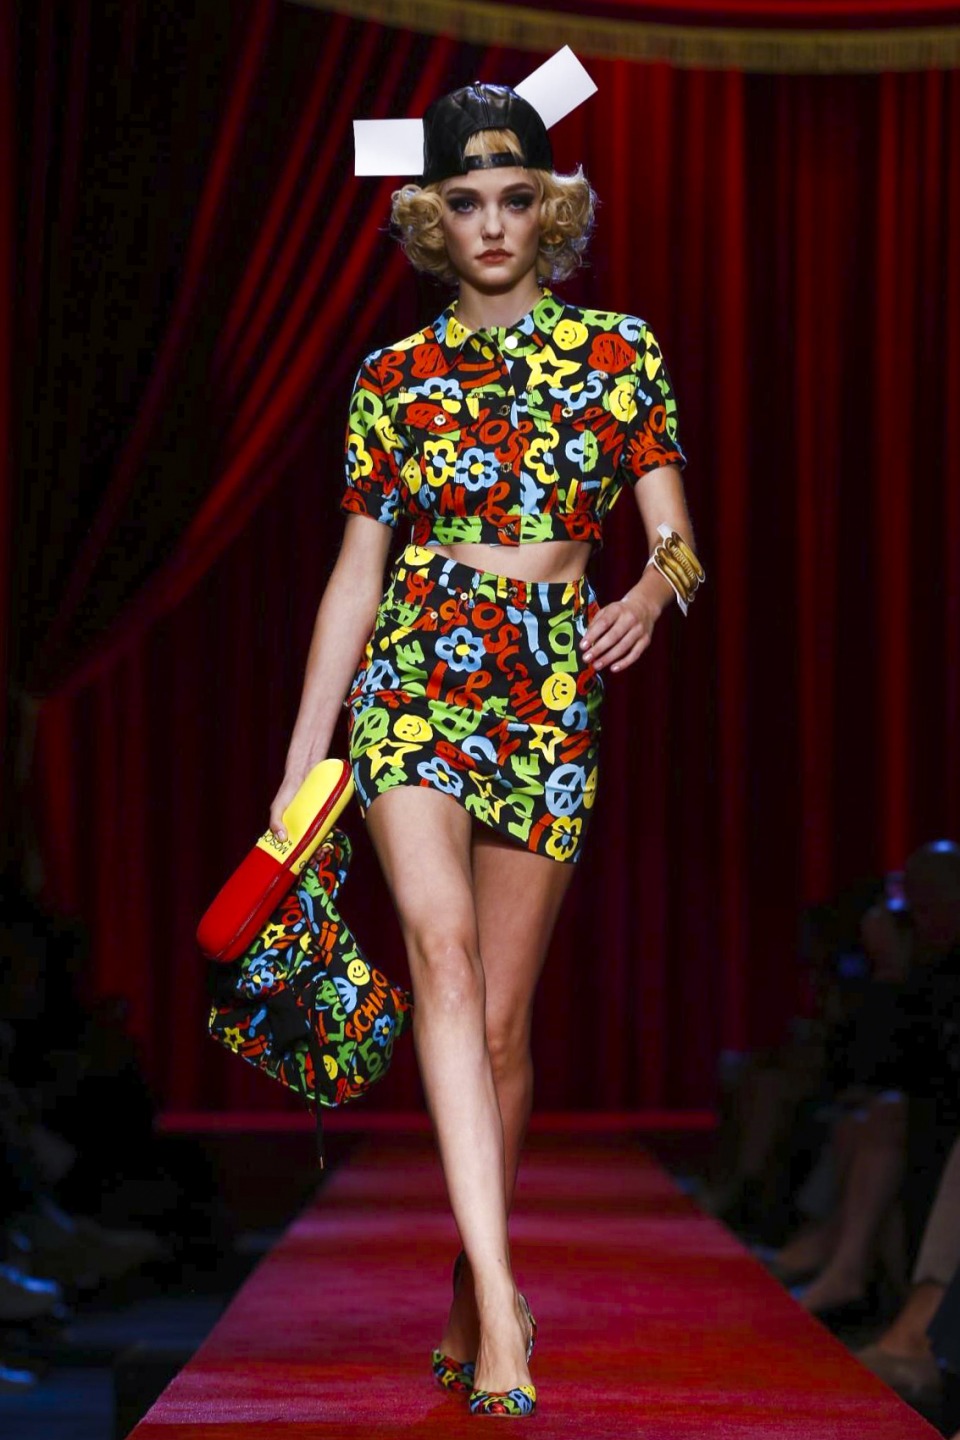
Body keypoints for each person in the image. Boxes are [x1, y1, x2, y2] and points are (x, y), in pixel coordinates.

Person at [268, 69, 700, 1418]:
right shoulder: (390, 376)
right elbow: (355, 575)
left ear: (550, 208)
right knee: (442, 966)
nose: (495, 222)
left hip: (553, 683)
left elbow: (682, 545)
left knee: (503, 1026)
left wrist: (648, 595)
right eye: (467, 200)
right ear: (432, 219)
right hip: (414, 674)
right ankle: (506, 1315)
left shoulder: (621, 351)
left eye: (516, 197)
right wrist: (303, 760)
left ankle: (473, 1277)